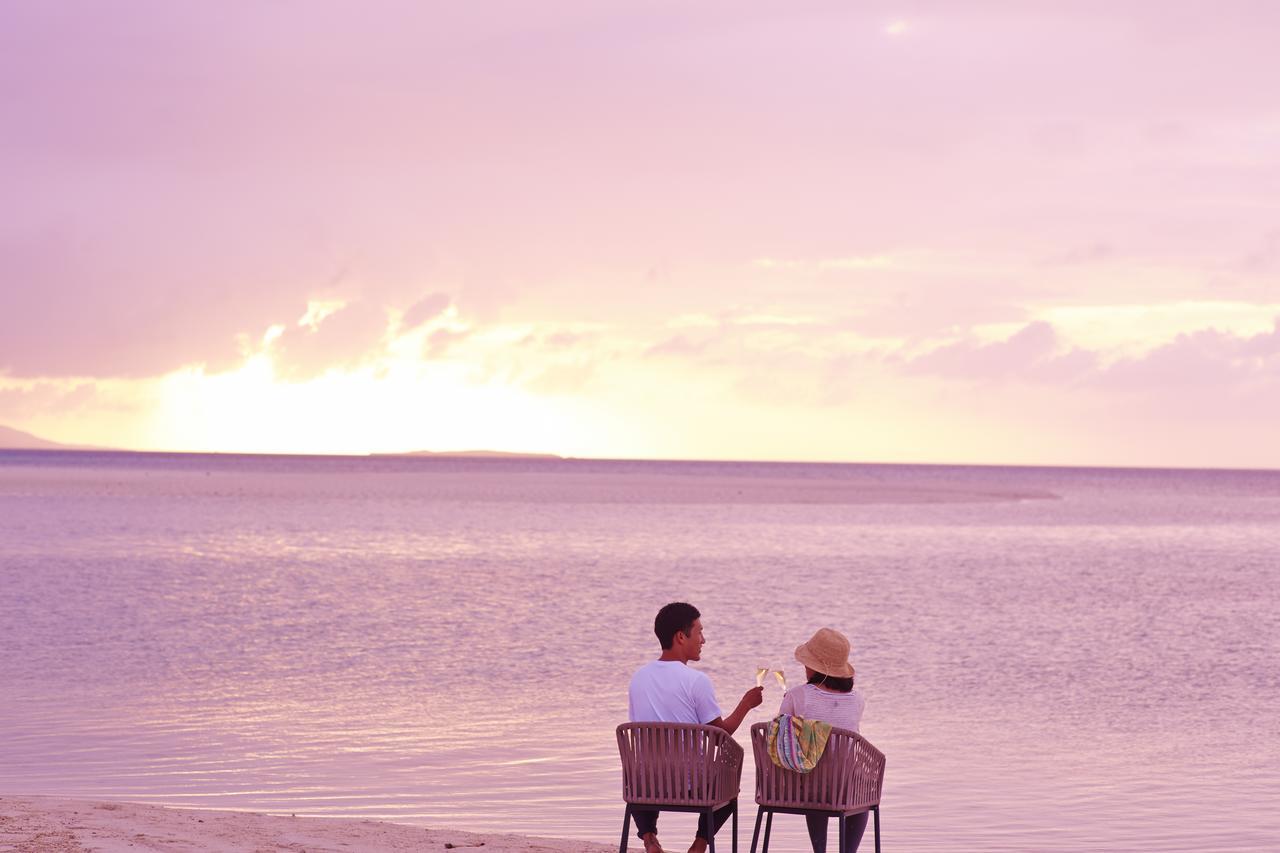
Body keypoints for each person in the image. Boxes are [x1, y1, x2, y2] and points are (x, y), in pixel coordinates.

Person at [628, 602, 764, 853]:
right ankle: (700, 844)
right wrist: (746, 704)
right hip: (691, 786)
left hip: (646, 785)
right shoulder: (696, 681)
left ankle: (649, 838)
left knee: (644, 768)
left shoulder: (639, 677)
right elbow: (720, 736)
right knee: (730, 775)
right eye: (699, 632)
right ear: (681, 636)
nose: (704, 639)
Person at [778, 627, 868, 853]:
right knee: (859, 790)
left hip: (808, 786)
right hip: (848, 786)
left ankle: (820, 850)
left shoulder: (798, 695)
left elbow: (780, 736)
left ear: (815, 667)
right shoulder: (857, 699)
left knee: (815, 777)